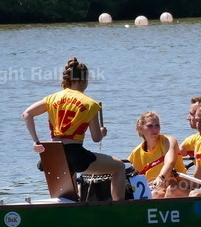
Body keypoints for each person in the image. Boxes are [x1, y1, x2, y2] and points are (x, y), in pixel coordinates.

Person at [22, 57, 126, 200]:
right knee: (119, 167)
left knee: (68, 192)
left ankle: (70, 207)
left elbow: (27, 114)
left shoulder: (52, 98)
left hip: (52, 154)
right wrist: (102, 132)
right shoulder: (90, 104)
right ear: (84, 80)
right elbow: (96, 138)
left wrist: (36, 141)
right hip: (74, 153)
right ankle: (119, 209)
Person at [128, 111, 180, 198]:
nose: (155, 129)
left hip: (178, 185)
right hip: (155, 189)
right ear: (140, 128)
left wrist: (160, 178)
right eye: (150, 126)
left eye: (157, 125)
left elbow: (169, 163)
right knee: (155, 193)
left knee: (166, 192)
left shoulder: (168, 141)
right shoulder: (136, 152)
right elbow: (135, 178)